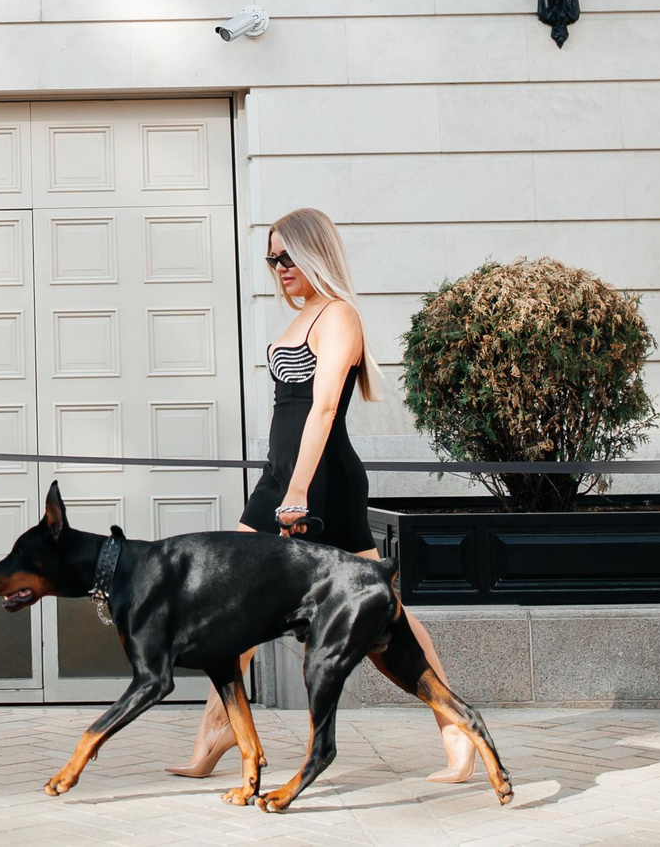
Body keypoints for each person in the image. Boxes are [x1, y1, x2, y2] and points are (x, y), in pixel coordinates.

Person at [166, 206, 475, 784]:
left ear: (314, 253)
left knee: (386, 616)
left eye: (288, 256)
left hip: (321, 483)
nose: (278, 267)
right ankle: (218, 729)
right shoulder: (305, 313)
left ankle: (453, 725)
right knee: (227, 607)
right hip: (279, 478)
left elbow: (325, 406)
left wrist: (301, 491)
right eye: (271, 258)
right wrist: (281, 482)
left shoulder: (338, 316)